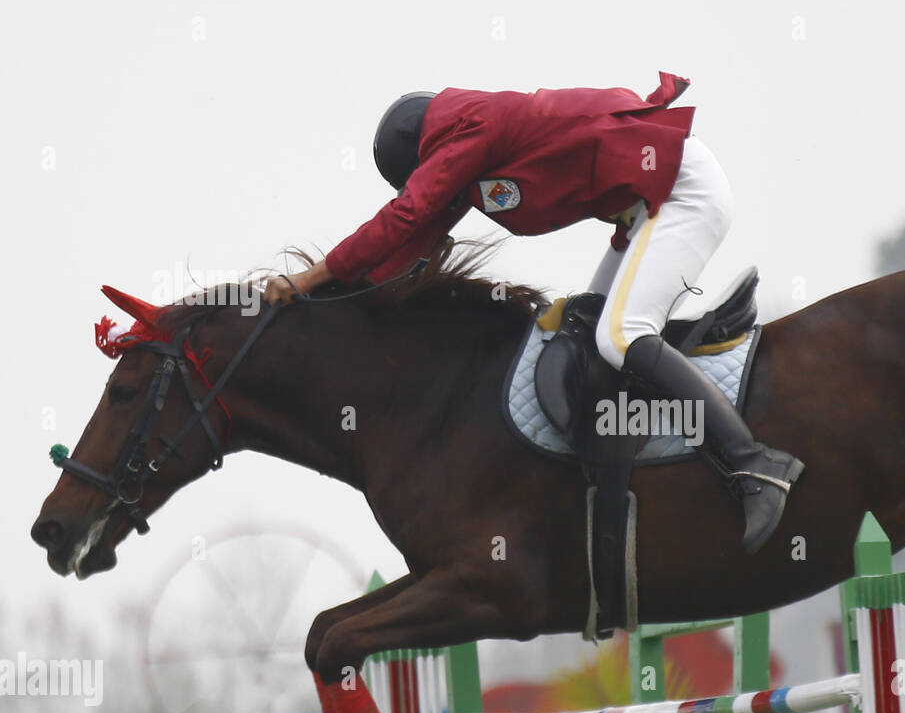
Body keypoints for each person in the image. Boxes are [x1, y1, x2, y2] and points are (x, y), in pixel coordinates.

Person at [264, 72, 802, 552]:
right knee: (588, 324)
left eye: (421, 175)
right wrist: (324, 301)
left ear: (420, 151)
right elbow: (414, 238)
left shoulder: (469, 128)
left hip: (682, 193)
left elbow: (408, 215)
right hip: (647, 208)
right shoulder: (467, 141)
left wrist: (309, 276)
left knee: (620, 336)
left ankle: (753, 463)